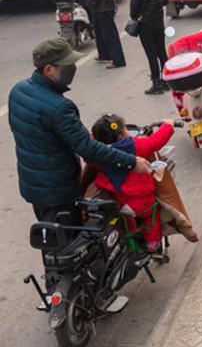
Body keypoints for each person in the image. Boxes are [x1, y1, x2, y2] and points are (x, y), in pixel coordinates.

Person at [8, 38, 151, 231]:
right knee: (68, 245)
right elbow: (88, 149)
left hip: (33, 185)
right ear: (49, 69)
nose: (73, 68)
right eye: (67, 65)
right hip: (59, 190)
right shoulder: (59, 107)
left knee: (50, 239)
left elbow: (39, 135)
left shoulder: (18, 91)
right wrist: (132, 162)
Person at [91, 115, 175, 253]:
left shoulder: (97, 153)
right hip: (142, 202)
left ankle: (130, 242)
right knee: (151, 219)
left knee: (126, 221)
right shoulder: (136, 146)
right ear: (120, 135)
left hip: (117, 201)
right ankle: (153, 244)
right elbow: (155, 141)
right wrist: (168, 125)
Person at [128, 0, 169, 94]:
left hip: (145, 24)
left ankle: (156, 84)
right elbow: (165, 0)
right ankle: (167, 80)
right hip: (158, 20)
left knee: (151, 54)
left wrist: (136, 16)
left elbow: (134, 8)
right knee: (162, 51)